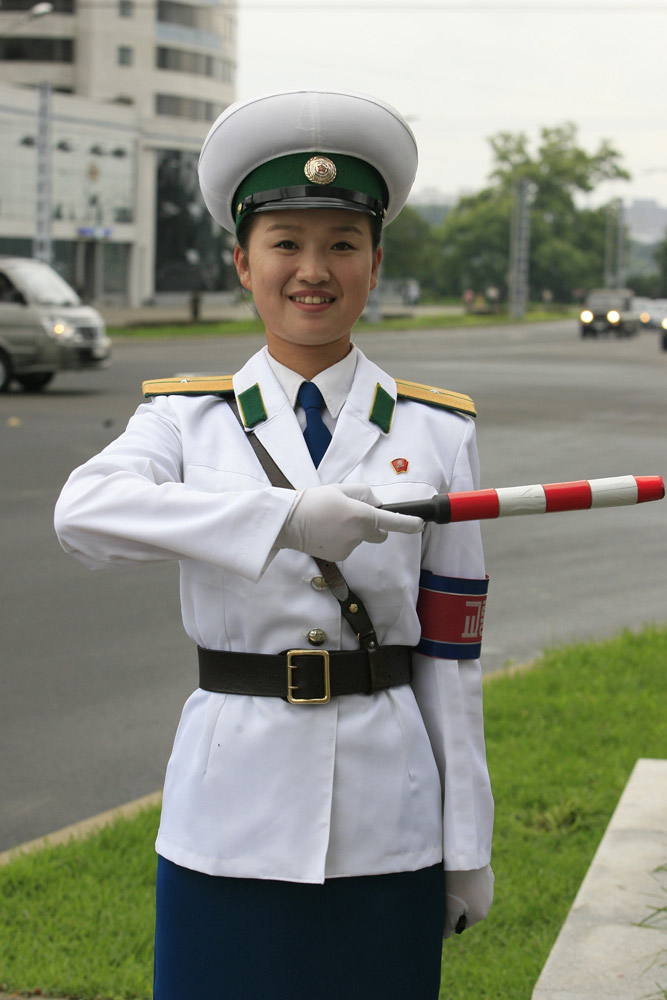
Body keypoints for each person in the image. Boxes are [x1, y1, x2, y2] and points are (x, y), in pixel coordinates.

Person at [54, 89, 494, 1000]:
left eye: (340, 243)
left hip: (390, 814)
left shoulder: (438, 433)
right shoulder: (184, 418)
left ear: (375, 261)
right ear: (243, 262)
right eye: (285, 243)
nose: (313, 269)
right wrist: (279, 521)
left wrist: (466, 844)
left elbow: (452, 659)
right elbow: (84, 512)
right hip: (230, 810)